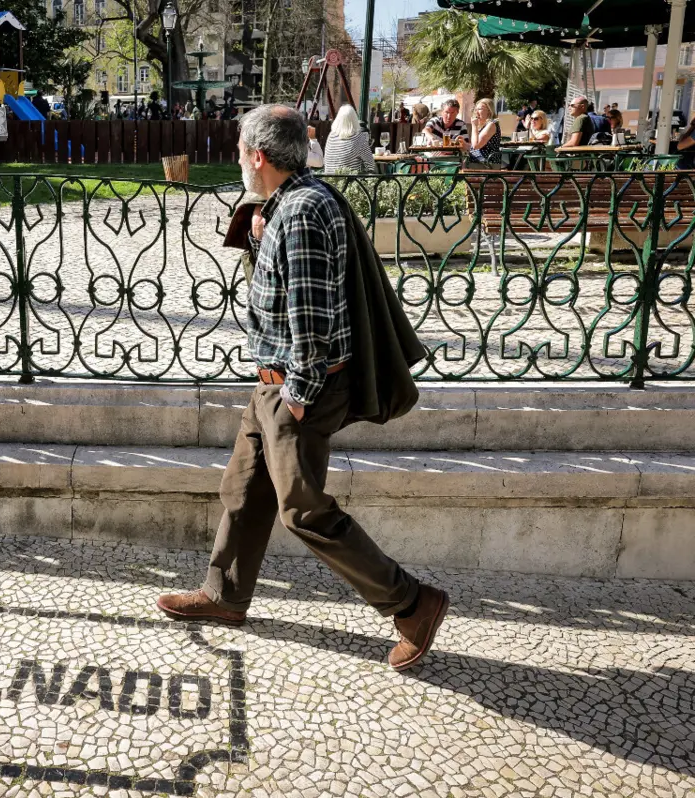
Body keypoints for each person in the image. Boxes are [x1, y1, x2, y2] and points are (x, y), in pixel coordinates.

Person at [156, 104, 449, 673]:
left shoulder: (303, 213)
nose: (238, 160)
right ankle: (224, 595)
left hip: (298, 388)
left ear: (258, 157)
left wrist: (297, 396)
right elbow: (283, 291)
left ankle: (412, 604)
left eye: (241, 151)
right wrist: (263, 235)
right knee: (244, 490)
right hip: (271, 383)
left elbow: (311, 321)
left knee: (304, 511)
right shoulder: (288, 204)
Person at [322, 105, 376, 174]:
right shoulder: (358, 138)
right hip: (348, 183)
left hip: (328, 181)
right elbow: (371, 165)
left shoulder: (331, 136)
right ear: (354, 119)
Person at [468, 97, 501, 163]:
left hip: (487, 163)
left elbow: (476, 146)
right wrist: (463, 144)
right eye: (476, 109)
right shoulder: (483, 125)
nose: (476, 112)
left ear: (489, 110)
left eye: (479, 109)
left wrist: (474, 126)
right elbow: (473, 147)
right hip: (477, 160)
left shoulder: (491, 124)